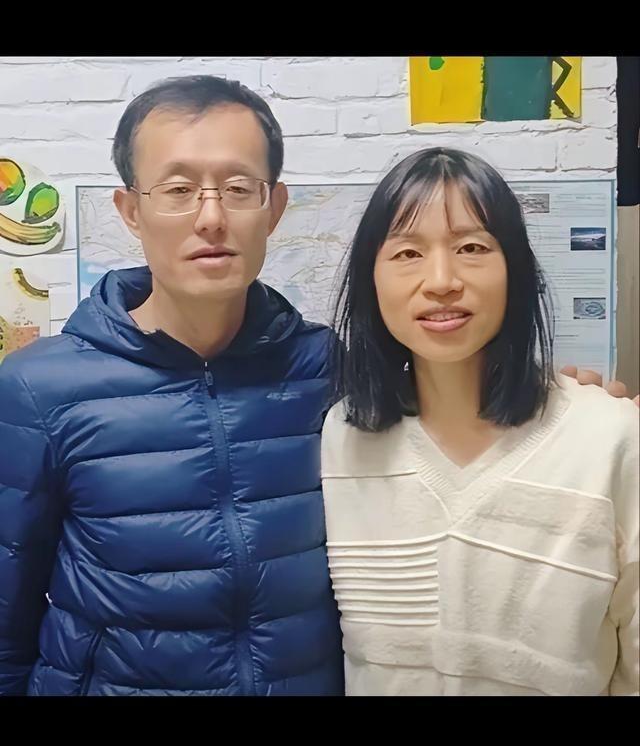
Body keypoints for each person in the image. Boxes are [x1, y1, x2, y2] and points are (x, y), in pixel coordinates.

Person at [0, 78, 634, 696]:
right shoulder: (39, 391)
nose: (211, 216)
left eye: (238, 188)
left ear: (275, 208)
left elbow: (451, 377)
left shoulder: (330, 372)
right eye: (178, 189)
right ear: (131, 210)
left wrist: (571, 401)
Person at [322, 146, 639, 696]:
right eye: (407, 253)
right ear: (371, 280)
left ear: (516, 269)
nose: (441, 280)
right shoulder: (342, 437)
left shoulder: (609, 437)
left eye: (472, 247)